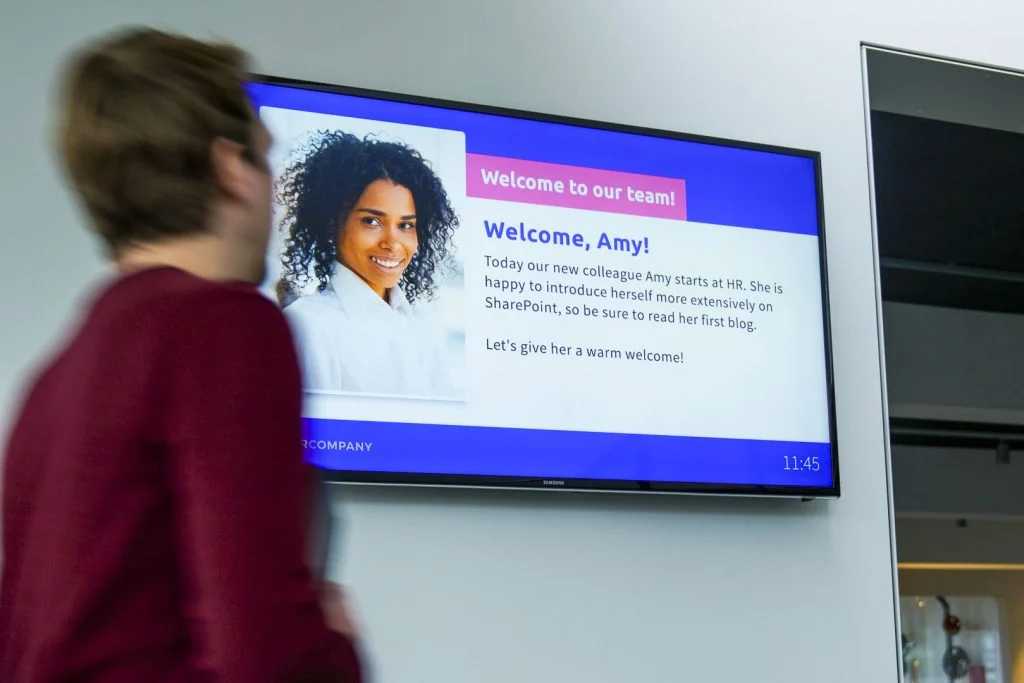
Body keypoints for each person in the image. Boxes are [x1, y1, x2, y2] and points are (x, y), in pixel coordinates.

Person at [0, 28, 364, 683]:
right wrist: (335, 643)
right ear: (230, 168)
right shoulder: (223, 326)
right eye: (265, 157)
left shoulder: (53, 375)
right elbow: (265, 655)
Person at [275, 131, 461, 398]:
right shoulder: (308, 325)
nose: (393, 243)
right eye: (372, 221)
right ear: (332, 222)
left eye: (406, 225)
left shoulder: (420, 326)